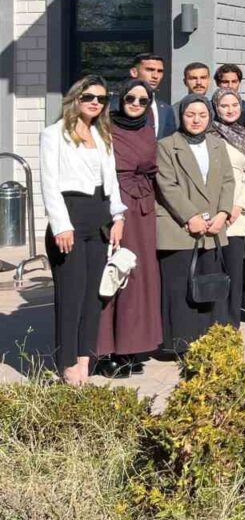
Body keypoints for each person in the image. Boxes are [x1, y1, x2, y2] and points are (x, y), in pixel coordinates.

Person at [39, 76, 126, 384]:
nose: (95, 103)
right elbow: (49, 183)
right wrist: (61, 225)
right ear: (75, 97)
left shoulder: (102, 134)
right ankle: (66, 364)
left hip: (100, 216)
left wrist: (118, 217)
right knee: (71, 296)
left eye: (101, 99)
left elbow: (111, 180)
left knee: (94, 296)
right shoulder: (53, 134)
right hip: (71, 216)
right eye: (89, 96)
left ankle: (84, 360)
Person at [154, 96, 236, 356]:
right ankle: (180, 343)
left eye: (202, 114)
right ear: (181, 115)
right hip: (180, 228)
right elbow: (167, 185)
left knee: (209, 285)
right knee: (180, 288)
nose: (197, 119)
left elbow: (228, 180)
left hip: (213, 227)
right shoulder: (166, 146)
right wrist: (190, 216)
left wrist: (223, 213)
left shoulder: (216, 144)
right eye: (191, 114)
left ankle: (208, 340)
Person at [96, 78, 163, 377]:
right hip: (117, 205)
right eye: (130, 99)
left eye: (143, 100)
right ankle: (104, 351)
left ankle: (132, 346)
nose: (136, 105)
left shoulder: (148, 129)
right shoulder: (105, 129)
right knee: (114, 275)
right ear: (120, 99)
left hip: (144, 208)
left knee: (139, 278)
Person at [208, 90, 245, 329]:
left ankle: (231, 322)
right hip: (210, 212)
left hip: (236, 215)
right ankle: (213, 320)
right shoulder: (207, 134)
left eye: (234, 105)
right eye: (224, 105)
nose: (230, 109)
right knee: (212, 269)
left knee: (234, 270)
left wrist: (238, 206)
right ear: (215, 108)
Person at [128, 53, 176, 137]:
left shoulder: (166, 110)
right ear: (134, 72)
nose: (155, 76)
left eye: (160, 71)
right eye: (150, 70)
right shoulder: (116, 106)